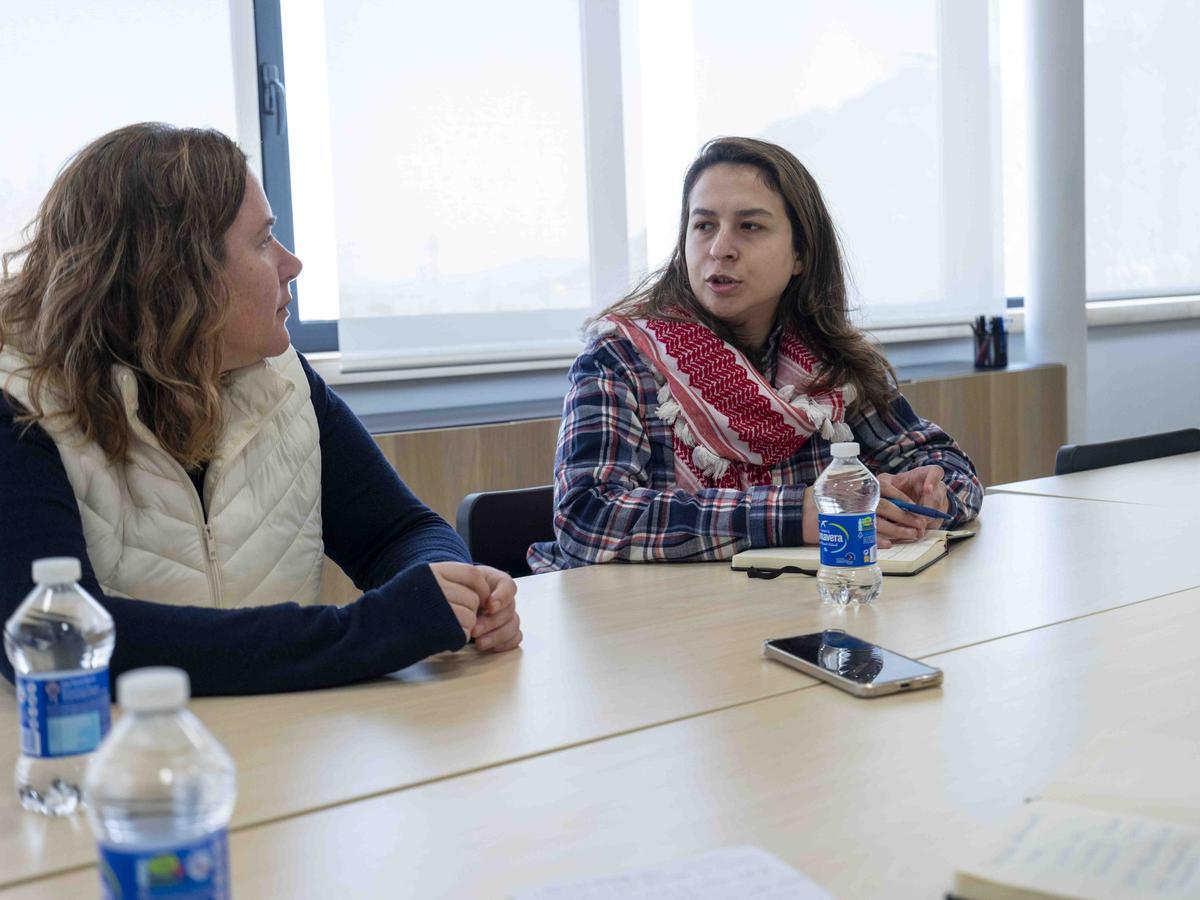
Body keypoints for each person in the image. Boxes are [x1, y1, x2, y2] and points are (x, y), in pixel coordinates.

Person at [0, 123, 521, 695]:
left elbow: (398, 531)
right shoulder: (19, 403)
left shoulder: (283, 379)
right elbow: (55, 633)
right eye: (262, 240)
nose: (291, 263)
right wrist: (366, 633)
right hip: (109, 765)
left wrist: (453, 589)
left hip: (276, 747)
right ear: (174, 273)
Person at [530, 137, 982, 572]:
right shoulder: (621, 357)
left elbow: (945, 464)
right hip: (643, 629)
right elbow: (588, 517)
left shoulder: (830, 363)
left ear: (800, 255)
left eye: (749, 226)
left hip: (785, 608)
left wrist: (929, 494)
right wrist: (798, 514)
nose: (719, 248)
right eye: (704, 225)